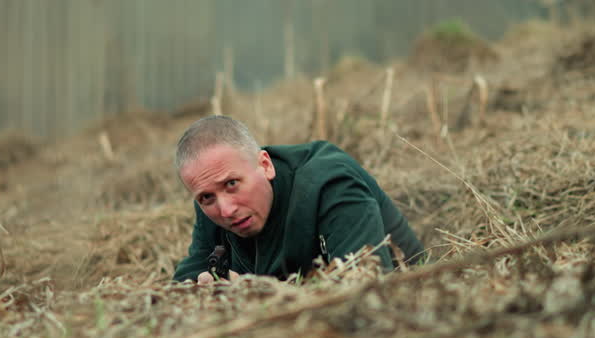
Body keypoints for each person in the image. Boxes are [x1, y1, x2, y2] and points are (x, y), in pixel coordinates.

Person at [170, 115, 425, 284]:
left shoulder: (331, 184)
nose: (225, 210)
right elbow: (188, 277)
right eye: (206, 197)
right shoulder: (210, 202)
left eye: (232, 184)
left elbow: (367, 291)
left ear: (265, 165)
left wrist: (253, 298)